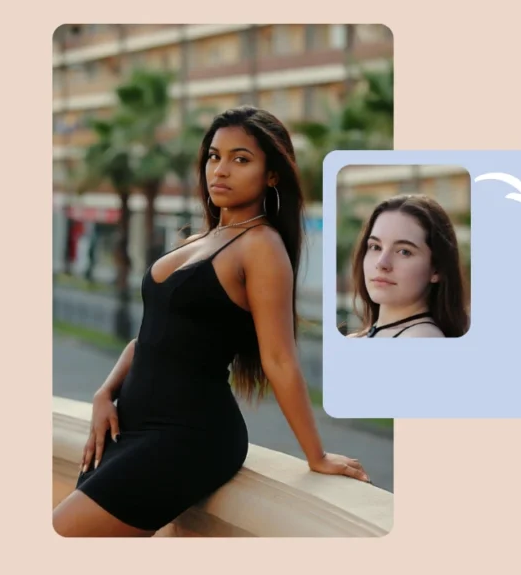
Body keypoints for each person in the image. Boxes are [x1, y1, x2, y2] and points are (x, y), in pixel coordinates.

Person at [53, 106, 370, 537]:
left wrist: (316, 456)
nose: (220, 170)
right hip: (129, 427)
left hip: (188, 437)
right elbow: (149, 339)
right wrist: (105, 392)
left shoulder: (262, 247)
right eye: (213, 156)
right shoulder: (199, 239)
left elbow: (279, 359)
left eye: (241, 159)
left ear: (271, 175)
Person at [345, 194, 469, 339]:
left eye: (404, 252)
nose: (381, 263)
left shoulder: (421, 337)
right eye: (375, 247)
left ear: (437, 269)